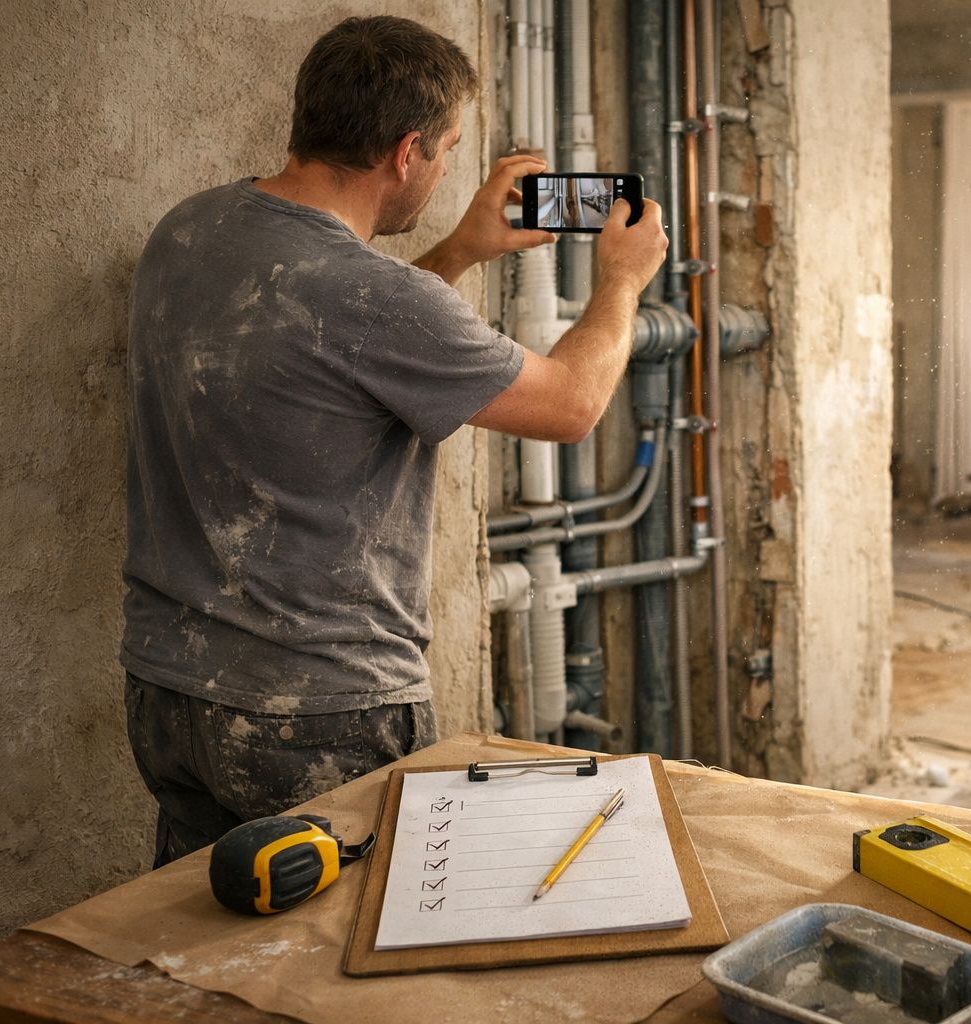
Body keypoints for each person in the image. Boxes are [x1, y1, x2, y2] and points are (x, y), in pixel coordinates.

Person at [122, 15, 667, 866]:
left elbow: (334, 347)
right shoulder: (373, 297)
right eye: (447, 150)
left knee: (205, 948)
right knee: (349, 961)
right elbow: (569, 406)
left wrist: (460, 249)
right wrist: (622, 281)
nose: (446, 169)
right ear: (406, 151)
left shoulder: (189, 231)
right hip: (318, 711)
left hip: (169, 689)